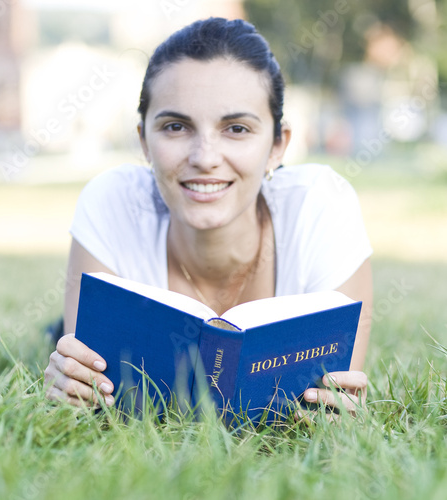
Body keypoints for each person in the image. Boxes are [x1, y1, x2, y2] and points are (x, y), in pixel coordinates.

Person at [44, 18, 373, 417]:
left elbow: (337, 395)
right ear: (144, 141)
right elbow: (87, 383)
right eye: (176, 126)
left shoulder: (322, 206)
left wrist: (339, 410)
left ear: (277, 146)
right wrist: (72, 383)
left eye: (236, 128)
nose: (204, 157)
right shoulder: (112, 202)